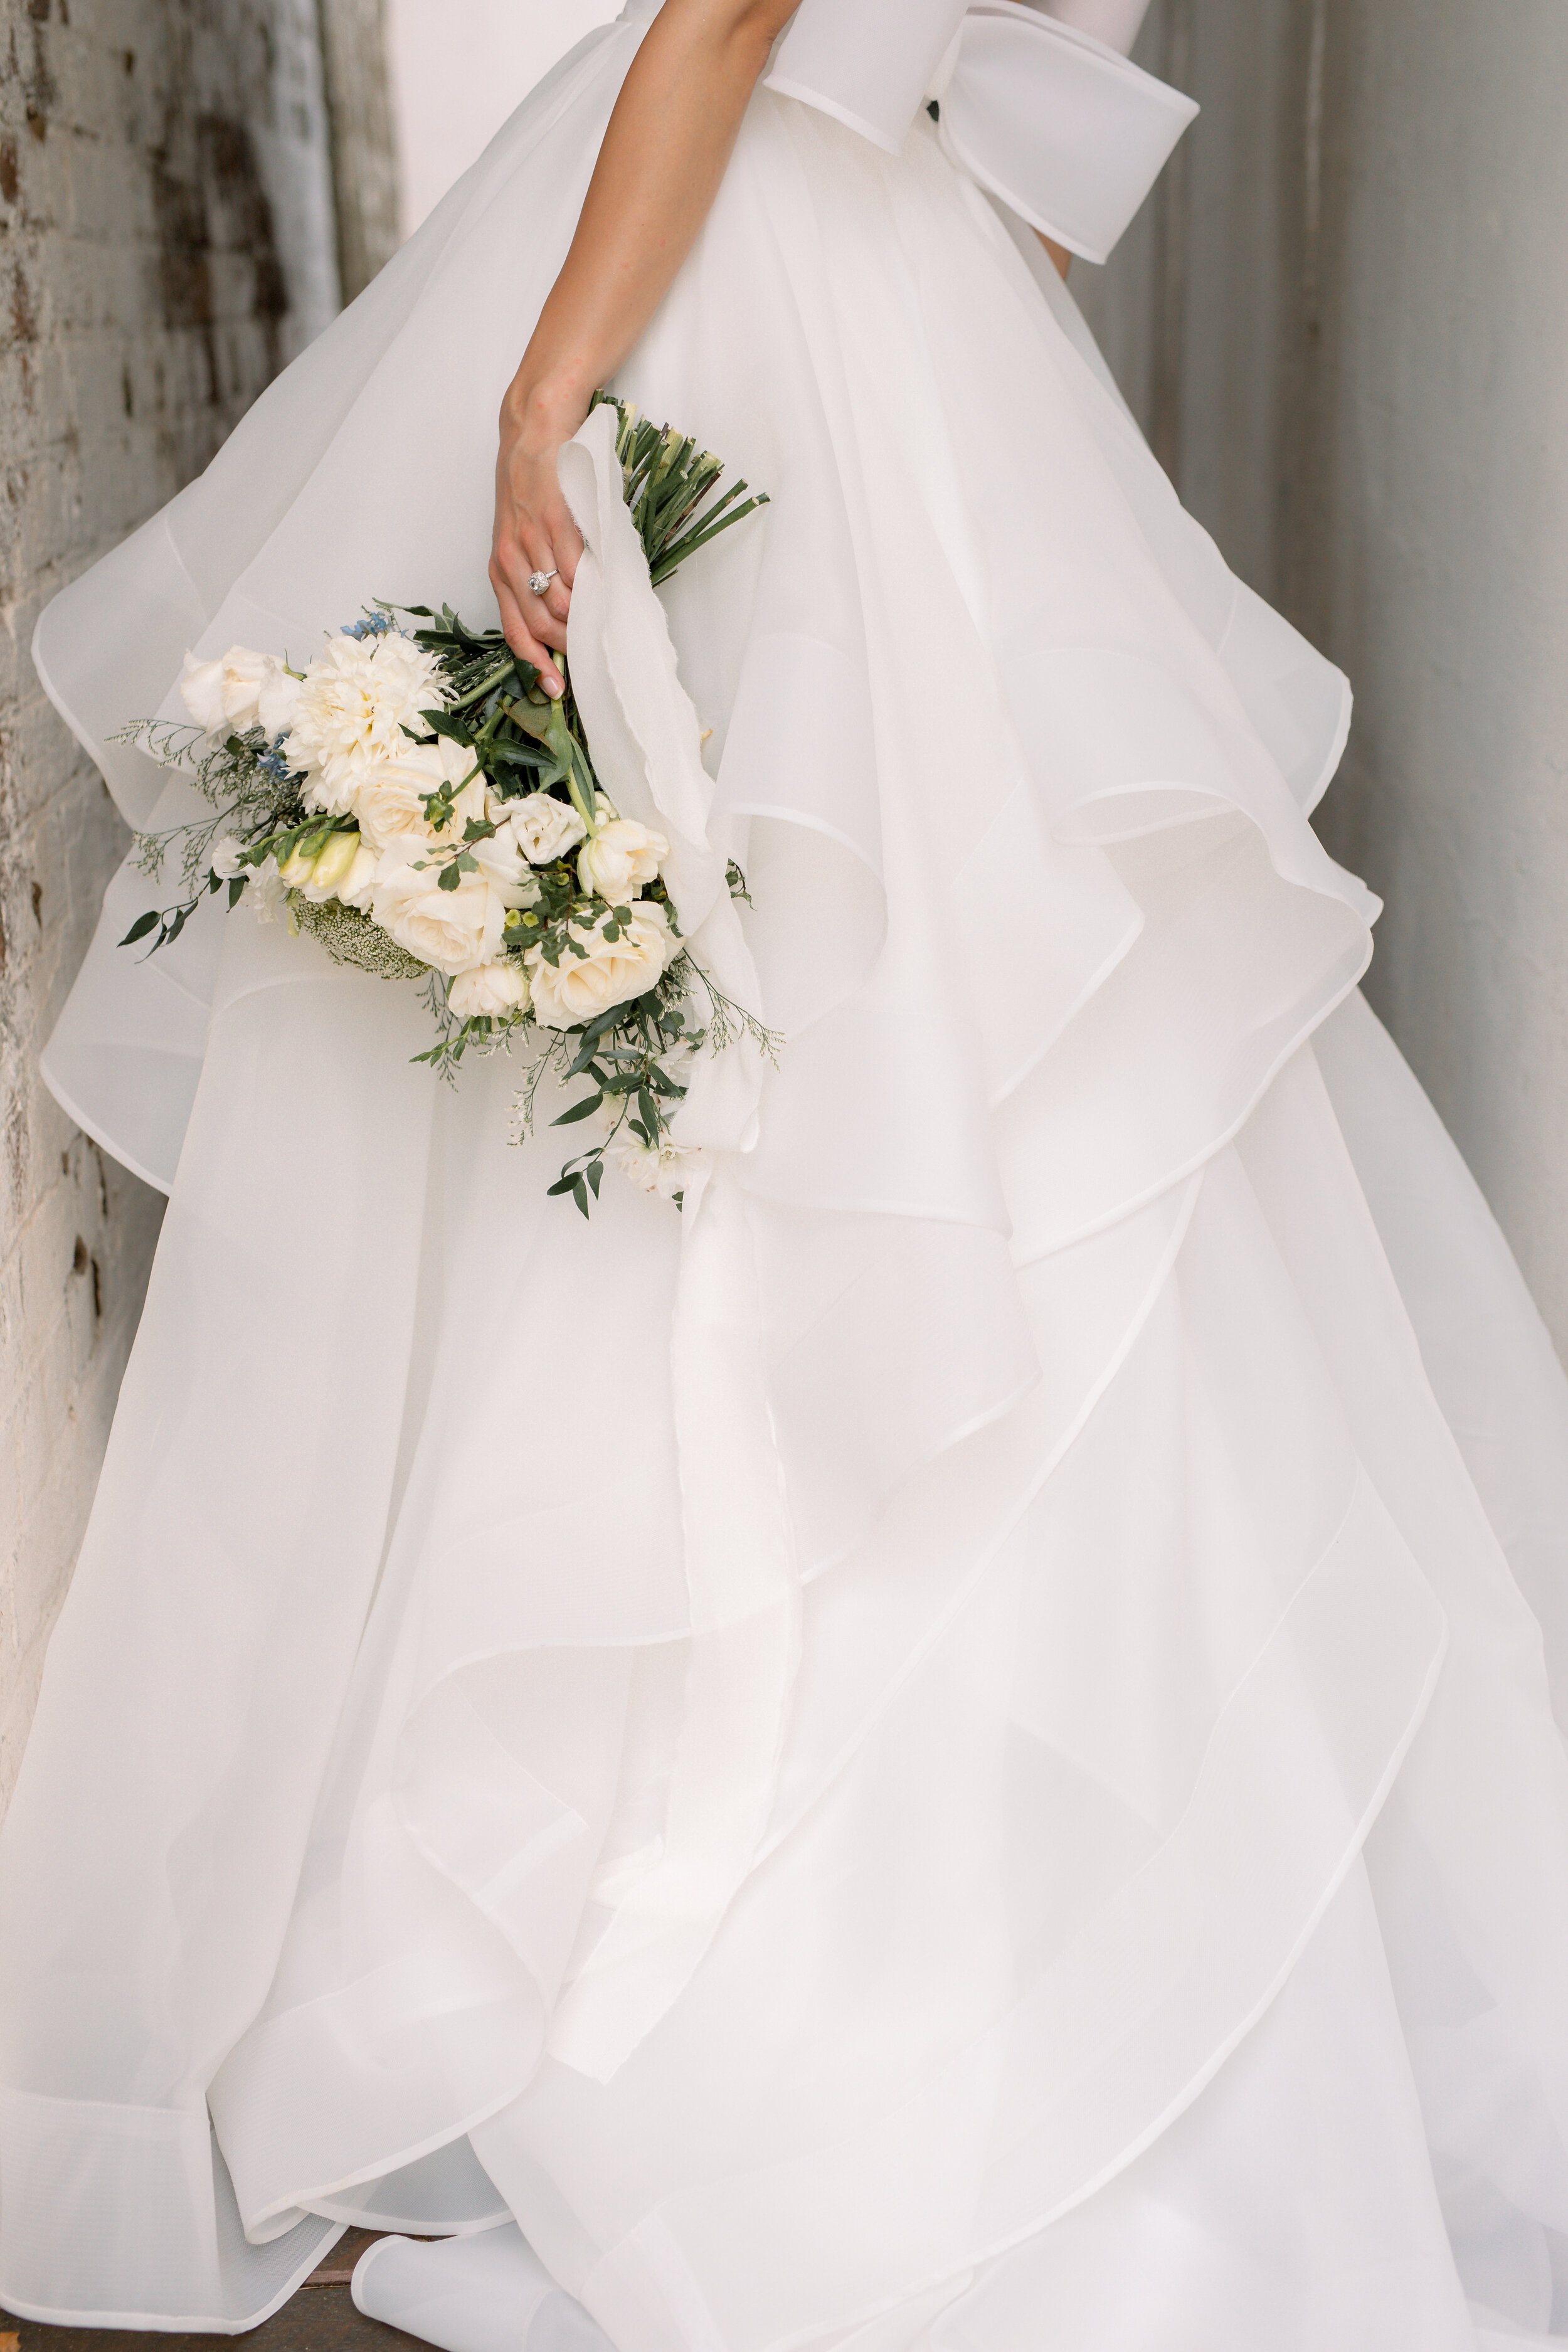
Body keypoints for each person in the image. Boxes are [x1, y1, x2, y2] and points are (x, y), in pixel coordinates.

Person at [4, 2, 1568, 2345]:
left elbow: (731, 10)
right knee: (936, 1081)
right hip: (918, 307)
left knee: (702, 1092)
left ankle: (687, 1924)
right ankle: (984, 1912)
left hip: (731, 263)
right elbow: (1047, 103)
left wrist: (541, 398)